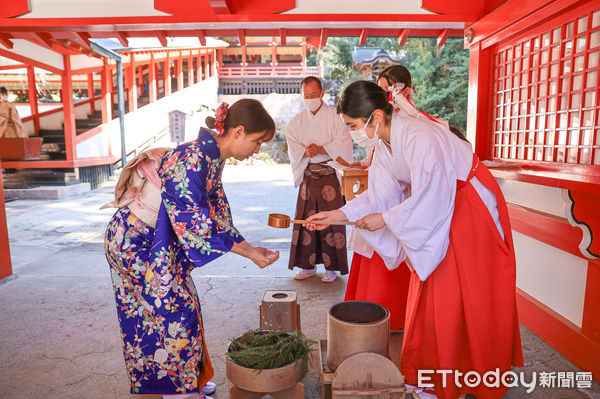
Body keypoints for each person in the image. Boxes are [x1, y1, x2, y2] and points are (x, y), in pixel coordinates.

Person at [308, 81, 523, 399]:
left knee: (467, 290)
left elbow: (432, 195)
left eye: (353, 125)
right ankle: (431, 375)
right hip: (439, 208)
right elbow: (380, 196)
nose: (352, 132)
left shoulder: (420, 135)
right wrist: (336, 215)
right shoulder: (383, 144)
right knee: (432, 291)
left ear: (376, 116)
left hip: (468, 204)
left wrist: (386, 219)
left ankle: (472, 376)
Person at [103, 99, 279, 398]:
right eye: (257, 141)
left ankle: (184, 380)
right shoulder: (192, 158)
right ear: (238, 131)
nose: (257, 149)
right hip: (135, 242)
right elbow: (194, 221)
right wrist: (248, 253)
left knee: (179, 310)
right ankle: (178, 390)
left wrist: (251, 247)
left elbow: (216, 214)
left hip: (155, 243)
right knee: (173, 313)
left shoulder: (211, 157)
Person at [285, 76, 353, 283]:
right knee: (306, 221)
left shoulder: (336, 116)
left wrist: (323, 149)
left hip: (329, 174)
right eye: (306, 96)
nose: (310, 99)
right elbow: (292, 141)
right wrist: (306, 152)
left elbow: (343, 141)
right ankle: (307, 265)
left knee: (330, 220)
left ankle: (332, 268)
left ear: (322, 93)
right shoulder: (297, 121)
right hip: (308, 175)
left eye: (314, 95)